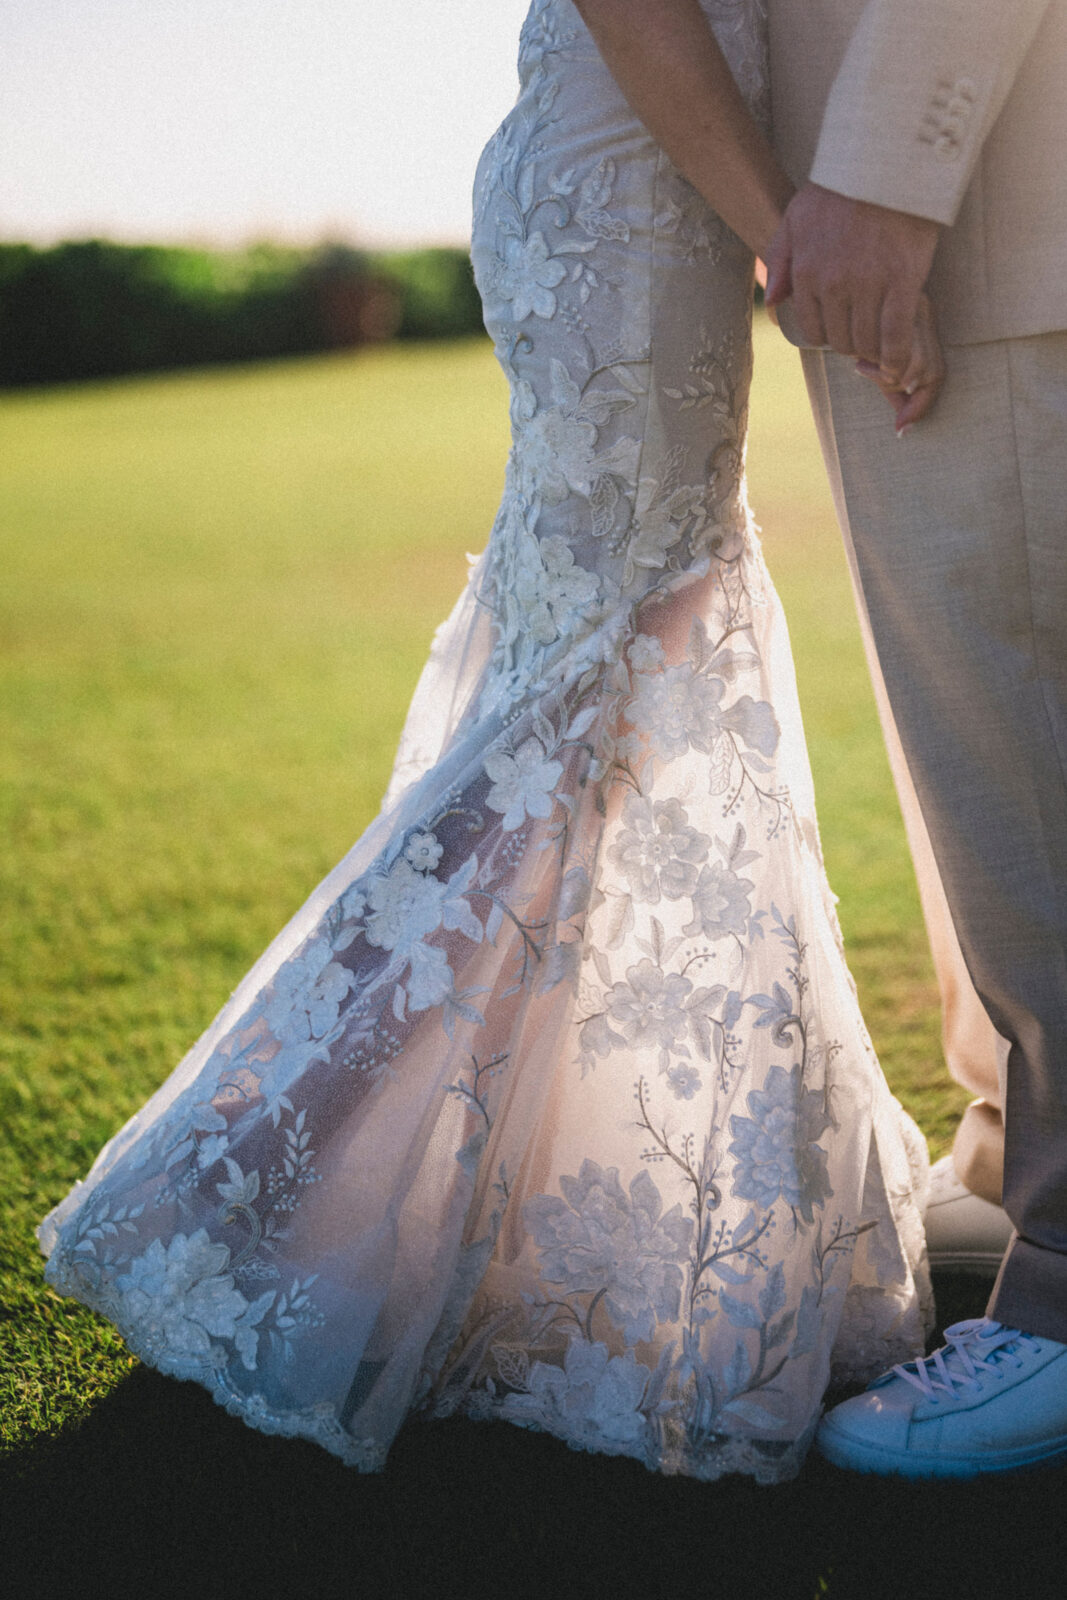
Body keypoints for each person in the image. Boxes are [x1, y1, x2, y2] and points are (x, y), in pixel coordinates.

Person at [37, 0, 934, 1485]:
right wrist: (786, 232)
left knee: (597, 676)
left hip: (633, 175)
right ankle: (275, 1180)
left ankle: (399, 1179)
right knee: (590, 689)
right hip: (646, 181)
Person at [764, 0, 1067, 1477]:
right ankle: (1021, 1164)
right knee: (972, 757)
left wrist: (888, 172)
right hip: (922, 233)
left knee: (1031, 769)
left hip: (987, 217)